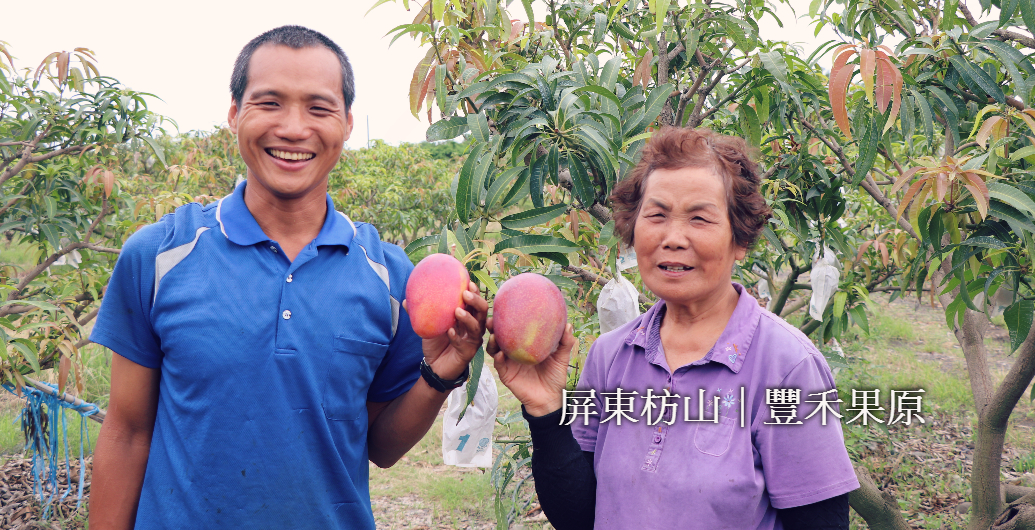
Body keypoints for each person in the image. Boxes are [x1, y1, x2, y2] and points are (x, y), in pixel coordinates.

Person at [87, 25, 487, 529]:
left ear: (345, 123)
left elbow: (380, 447)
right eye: (269, 102)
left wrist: (440, 373)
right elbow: (126, 432)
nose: (294, 128)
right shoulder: (160, 256)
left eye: (319, 108)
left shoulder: (389, 279)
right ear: (234, 114)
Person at [488, 127, 860, 530]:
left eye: (699, 218)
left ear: (740, 238)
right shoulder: (610, 356)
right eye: (657, 215)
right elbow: (580, 517)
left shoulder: (788, 368)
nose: (673, 238)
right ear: (633, 228)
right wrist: (545, 409)